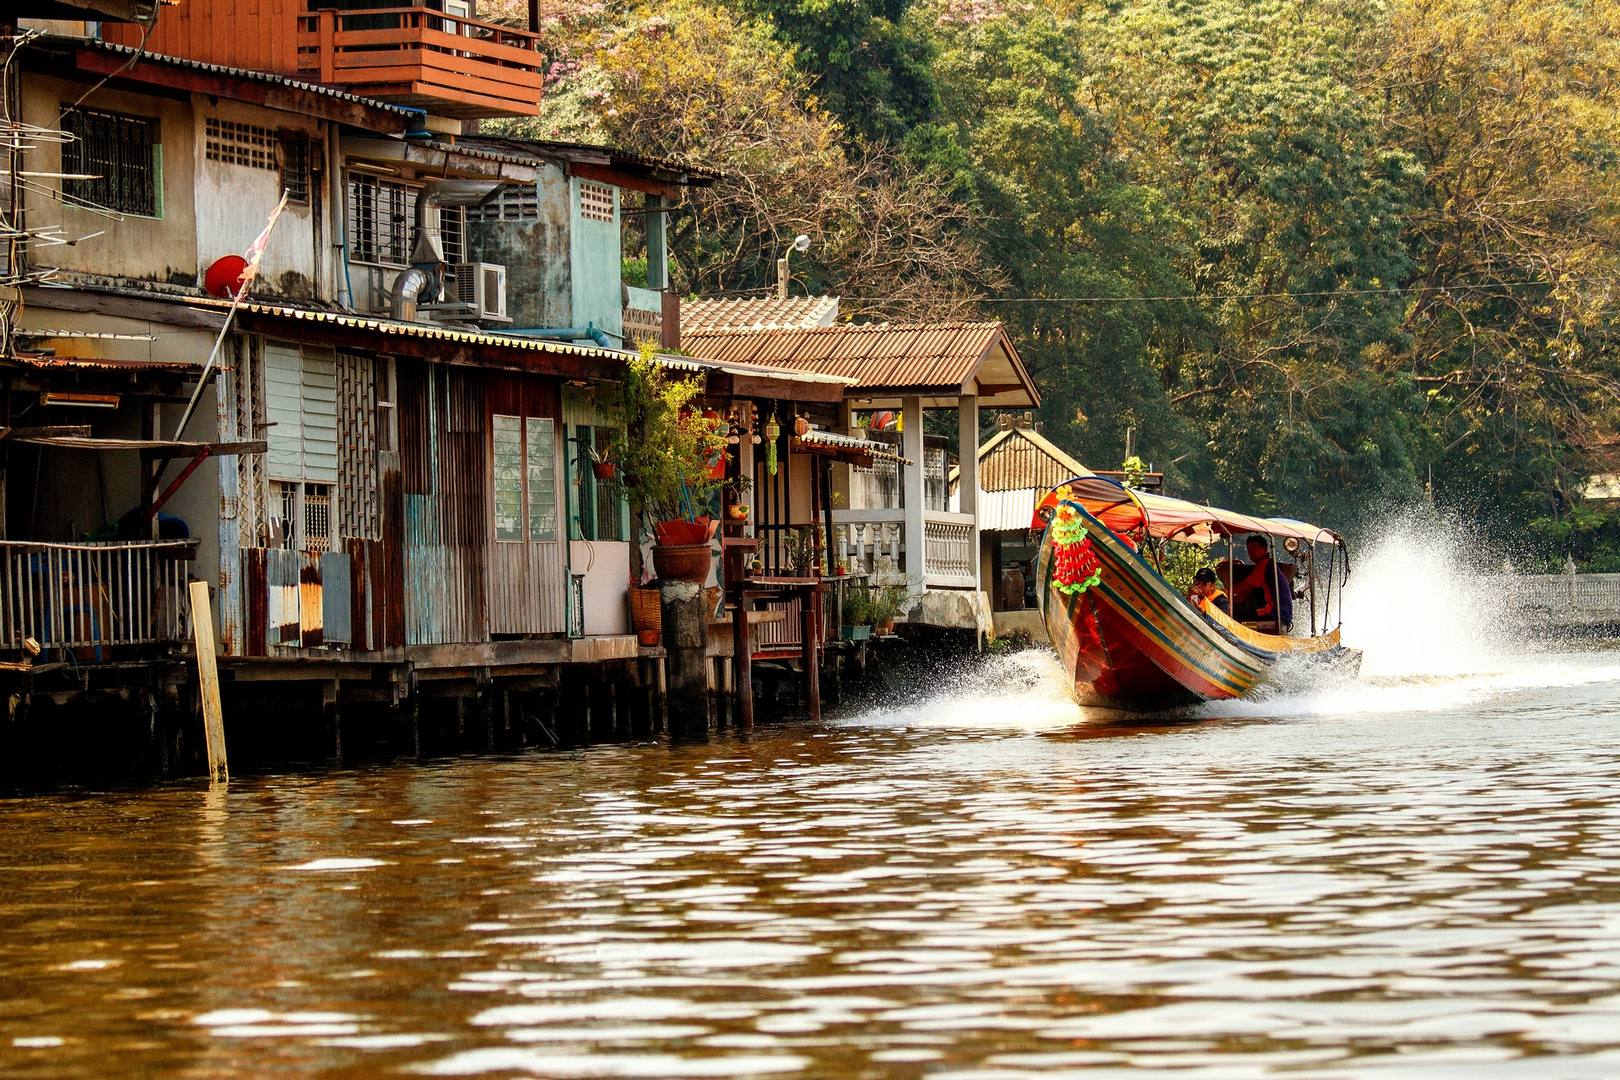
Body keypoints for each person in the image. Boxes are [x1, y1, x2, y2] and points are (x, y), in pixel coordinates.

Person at [1231, 534, 1292, 628]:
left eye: (1255, 548)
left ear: (1264, 548)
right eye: (1249, 550)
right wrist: (1228, 600)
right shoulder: (1264, 565)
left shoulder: (1266, 563)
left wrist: (1221, 592)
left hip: (1274, 611)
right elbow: (1245, 594)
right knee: (1234, 611)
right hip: (1282, 613)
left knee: (1234, 617)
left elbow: (1245, 586)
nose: (1251, 553)